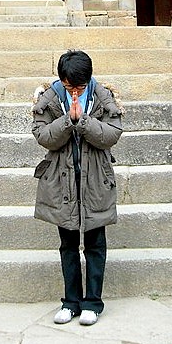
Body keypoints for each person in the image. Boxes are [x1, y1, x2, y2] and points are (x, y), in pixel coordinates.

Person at [31, 50, 123, 326]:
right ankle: (71, 302)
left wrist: (82, 120)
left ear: (89, 79)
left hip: (95, 178)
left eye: (79, 87)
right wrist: (67, 120)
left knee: (95, 243)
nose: (74, 91)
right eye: (69, 86)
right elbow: (42, 136)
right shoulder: (49, 97)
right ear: (61, 80)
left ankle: (93, 303)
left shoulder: (103, 96)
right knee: (68, 244)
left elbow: (112, 135)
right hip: (61, 180)